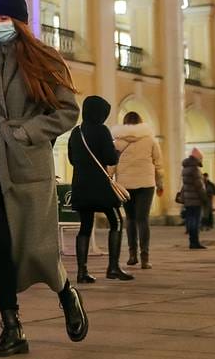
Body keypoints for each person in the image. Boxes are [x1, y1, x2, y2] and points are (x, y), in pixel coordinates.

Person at [0, 0, 88, 355]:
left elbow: (67, 111)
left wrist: (26, 133)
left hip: (28, 163)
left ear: (19, 21)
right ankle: (12, 328)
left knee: (38, 248)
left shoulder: (44, 59)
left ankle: (66, 293)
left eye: (4, 17)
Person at [68, 96, 134, 283]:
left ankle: (82, 272)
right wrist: (116, 152)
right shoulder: (102, 130)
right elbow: (110, 159)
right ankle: (113, 268)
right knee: (117, 222)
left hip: (80, 185)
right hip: (100, 186)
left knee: (85, 227)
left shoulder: (76, 132)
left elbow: (72, 159)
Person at [111, 111, 163, 269]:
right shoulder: (150, 140)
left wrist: (109, 179)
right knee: (143, 219)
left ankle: (132, 255)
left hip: (125, 185)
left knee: (130, 219)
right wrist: (160, 183)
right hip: (146, 184)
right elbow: (158, 164)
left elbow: (111, 164)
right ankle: (145, 258)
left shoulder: (117, 142)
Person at [180, 148, 206, 249]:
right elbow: (199, 186)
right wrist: (204, 198)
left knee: (190, 220)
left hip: (188, 199)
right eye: (201, 158)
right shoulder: (195, 169)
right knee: (195, 221)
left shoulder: (185, 168)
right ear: (197, 158)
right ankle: (195, 242)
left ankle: (192, 241)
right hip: (196, 199)